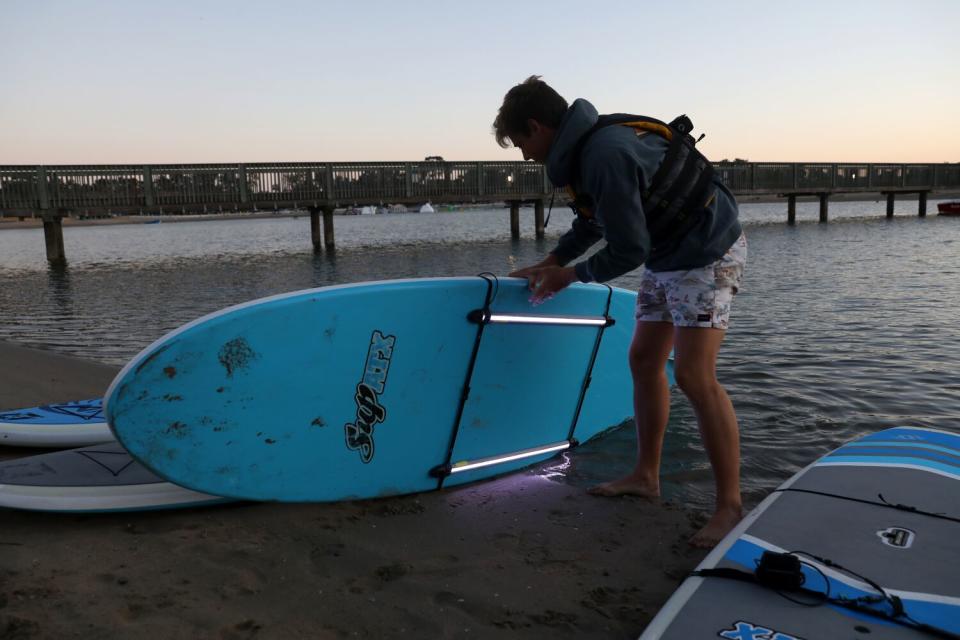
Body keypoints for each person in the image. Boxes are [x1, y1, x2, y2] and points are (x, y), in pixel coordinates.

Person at [493, 76, 747, 547]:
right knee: (644, 360)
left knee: (694, 376)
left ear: (537, 125)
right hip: (668, 254)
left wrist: (569, 277)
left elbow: (628, 248)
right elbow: (594, 221)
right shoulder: (587, 151)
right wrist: (553, 260)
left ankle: (730, 508)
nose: (525, 155)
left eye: (522, 143)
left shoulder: (606, 152)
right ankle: (646, 477)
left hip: (708, 250)